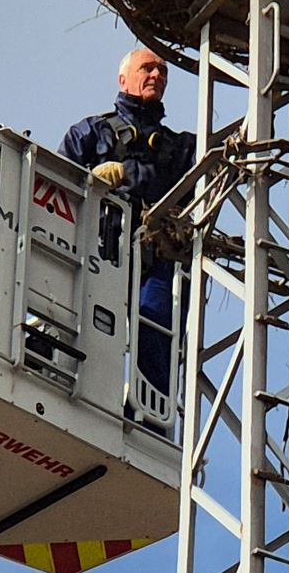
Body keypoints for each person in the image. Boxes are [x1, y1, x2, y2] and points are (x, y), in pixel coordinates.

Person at [60, 48, 195, 411]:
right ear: (123, 79)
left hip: (159, 257)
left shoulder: (182, 147)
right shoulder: (89, 132)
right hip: (100, 251)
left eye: (163, 71)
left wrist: (127, 173)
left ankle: (148, 426)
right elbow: (57, 186)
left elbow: (191, 187)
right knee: (87, 332)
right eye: (147, 68)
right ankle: (80, 406)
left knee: (156, 335)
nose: (157, 76)